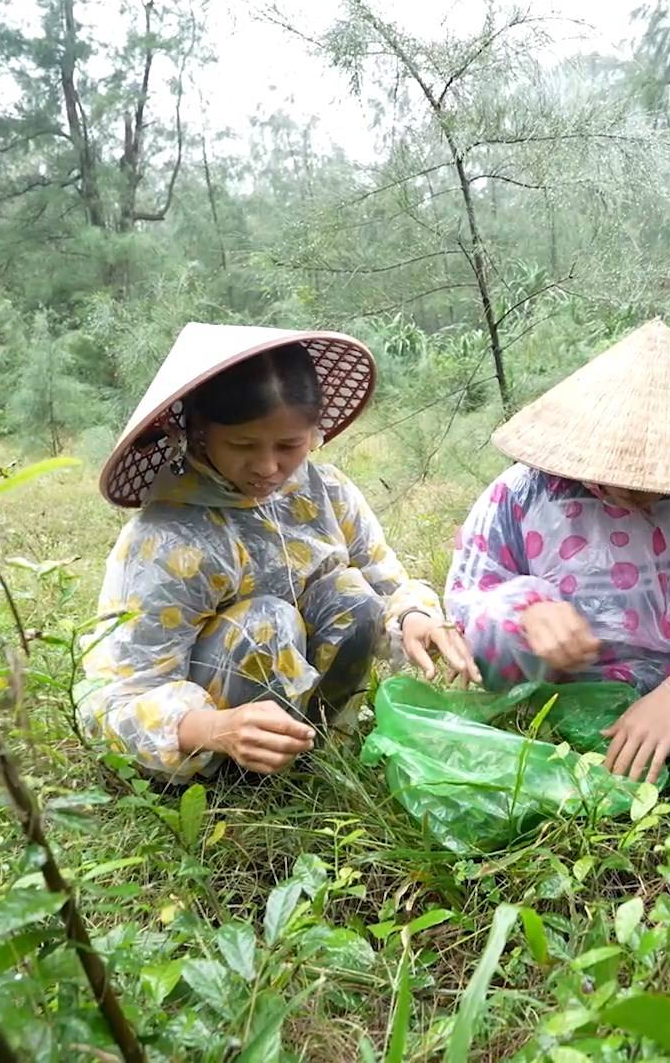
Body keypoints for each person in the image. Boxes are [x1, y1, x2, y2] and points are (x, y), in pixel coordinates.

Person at [77, 324, 478, 783]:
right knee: (265, 625)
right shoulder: (168, 540)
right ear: (200, 433)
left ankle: (318, 746)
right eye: (243, 446)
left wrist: (414, 618)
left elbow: (385, 583)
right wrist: (215, 728)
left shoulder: (324, 492)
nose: (268, 468)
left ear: (315, 432)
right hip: (214, 740)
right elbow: (115, 700)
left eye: (289, 446)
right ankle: (242, 779)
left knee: (354, 595)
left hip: (296, 724)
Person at [445, 319, 670, 784]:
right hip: (558, 693)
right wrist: (524, 613)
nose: (635, 495)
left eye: (653, 479)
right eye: (620, 474)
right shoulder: (525, 494)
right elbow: (471, 593)